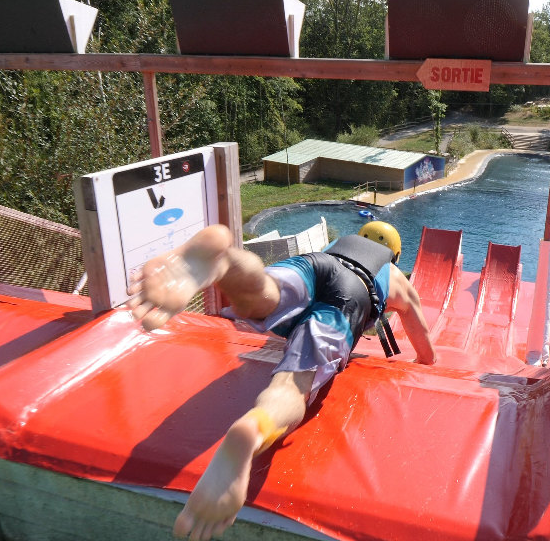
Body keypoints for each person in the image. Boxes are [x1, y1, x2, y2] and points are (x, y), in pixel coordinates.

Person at [126, 222, 436, 540]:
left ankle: (224, 263)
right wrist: (425, 363)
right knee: (292, 385)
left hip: (315, 265)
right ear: (394, 255)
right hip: (350, 297)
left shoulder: (338, 245)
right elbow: (420, 332)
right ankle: (256, 426)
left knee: (262, 293)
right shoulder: (396, 277)